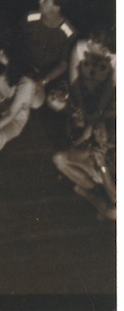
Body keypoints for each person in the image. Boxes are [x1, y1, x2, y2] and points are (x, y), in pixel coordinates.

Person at [53, 30, 116, 221]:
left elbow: (116, 196)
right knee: (59, 158)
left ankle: (90, 195)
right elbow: (72, 153)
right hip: (99, 169)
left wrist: (102, 166)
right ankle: (91, 190)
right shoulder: (106, 129)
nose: (89, 42)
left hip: (110, 178)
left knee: (114, 212)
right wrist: (87, 141)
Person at [21, 0, 75, 108]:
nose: (40, 1)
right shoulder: (31, 17)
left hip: (41, 76)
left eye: (45, 0)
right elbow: (18, 43)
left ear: (56, 7)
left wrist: (43, 81)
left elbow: (63, 65)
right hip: (21, 68)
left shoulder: (68, 31)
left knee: (36, 102)